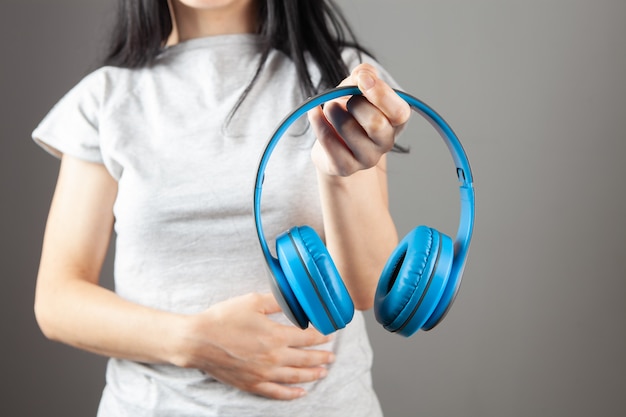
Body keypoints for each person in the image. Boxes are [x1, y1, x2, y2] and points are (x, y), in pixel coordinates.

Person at [32, 0, 410, 416]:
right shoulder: (105, 97)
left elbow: (366, 286)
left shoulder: (342, 78)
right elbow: (56, 301)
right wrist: (192, 341)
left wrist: (339, 170)